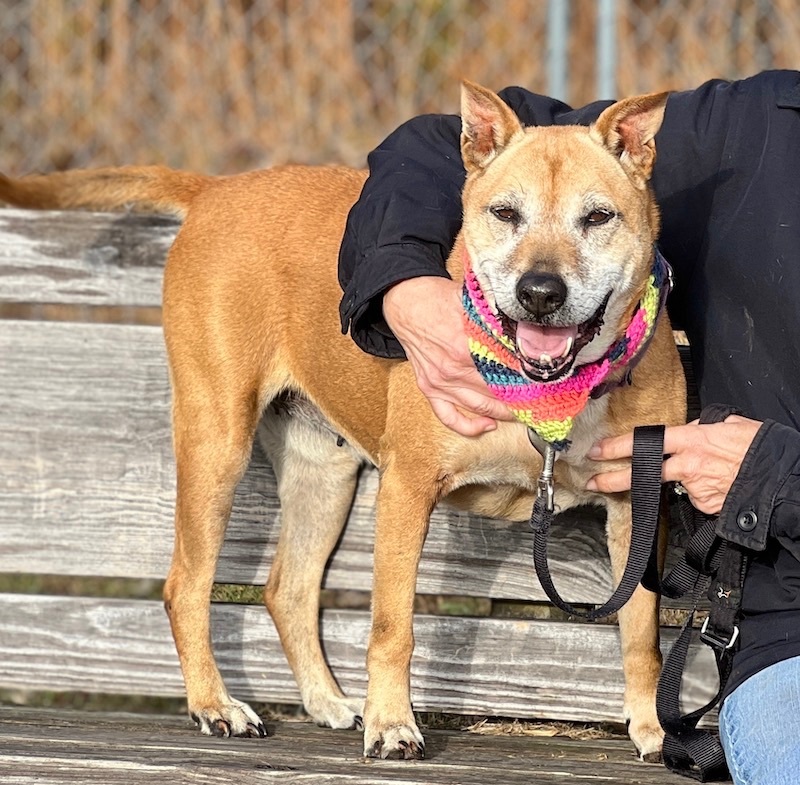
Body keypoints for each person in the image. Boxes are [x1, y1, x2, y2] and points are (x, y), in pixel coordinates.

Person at [338, 70, 800, 784]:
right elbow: (429, 148)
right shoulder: (747, 127)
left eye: (594, 221)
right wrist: (403, 286)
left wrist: (779, 476)